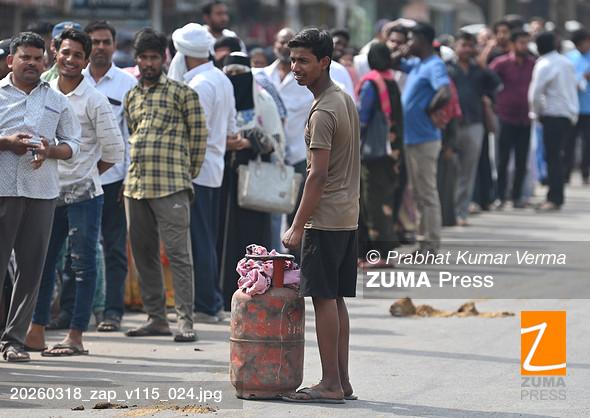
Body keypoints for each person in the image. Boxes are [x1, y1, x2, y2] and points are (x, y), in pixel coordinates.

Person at [24, 29, 124, 357]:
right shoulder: (44, 92)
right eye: (65, 52)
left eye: (77, 55)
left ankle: (76, 336)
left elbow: (115, 150)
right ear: (55, 52)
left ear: (86, 60)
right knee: (42, 263)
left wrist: (87, 174)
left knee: (82, 265)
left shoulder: (94, 99)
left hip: (85, 196)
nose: (70, 59)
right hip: (46, 193)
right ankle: (35, 331)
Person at [281, 28, 360, 404]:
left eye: (304, 61)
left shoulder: (325, 109)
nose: (295, 67)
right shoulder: (341, 98)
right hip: (346, 214)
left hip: (325, 218)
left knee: (324, 298)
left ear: (324, 62)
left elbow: (317, 174)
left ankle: (330, 383)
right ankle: (341, 381)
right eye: (292, 60)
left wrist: (297, 225)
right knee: (335, 298)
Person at [0, 32, 81, 362]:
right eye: (25, 57)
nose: (32, 63)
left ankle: (14, 340)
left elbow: (73, 145)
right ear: (11, 60)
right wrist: (6, 143)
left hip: (41, 194)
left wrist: (50, 151)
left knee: (31, 271)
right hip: (2, 191)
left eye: (37, 58)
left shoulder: (57, 100)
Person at [123, 29, 207, 342]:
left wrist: (185, 176)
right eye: (143, 57)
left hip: (172, 187)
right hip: (136, 186)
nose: (148, 63)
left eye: (154, 57)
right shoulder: (132, 95)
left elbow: (199, 140)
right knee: (143, 255)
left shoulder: (182, 93)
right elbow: (132, 133)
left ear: (164, 59)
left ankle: (185, 322)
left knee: (179, 256)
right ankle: (156, 319)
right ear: (137, 59)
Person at [172, 23, 237, 323]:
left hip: (196, 170)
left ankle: (206, 304)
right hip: (213, 169)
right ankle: (209, 301)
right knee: (207, 238)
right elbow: (231, 127)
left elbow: (193, 133)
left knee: (199, 239)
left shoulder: (199, 85)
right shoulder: (220, 78)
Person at [218, 52, 285, 310]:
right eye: (230, 74)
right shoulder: (220, 99)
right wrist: (225, 143)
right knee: (223, 236)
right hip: (224, 178)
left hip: (254, 182)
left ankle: (257, 290)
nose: (235, 79)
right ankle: (224, 295)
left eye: (240, 73)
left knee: (252, 237)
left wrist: (248, 142)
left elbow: (275, 140)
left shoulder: (263, 100)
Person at [83, 20, 138, 332]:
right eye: (95, 41)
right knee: (79, 249)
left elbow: (131, 135)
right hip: (78, 178)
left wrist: (129, 177)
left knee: (114, 248)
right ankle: (75, 312)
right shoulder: (73, 80)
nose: (101, 47)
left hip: (114, 179)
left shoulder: (126, 83)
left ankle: (112, 311)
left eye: (106, 42)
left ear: (114, 46)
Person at [394, 22, 450, 255]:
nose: (408, 43)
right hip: (412, 138)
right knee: (417, 193)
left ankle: (431, 243)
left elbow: (445, 92)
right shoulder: (417, 64)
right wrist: (402, 51)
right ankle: (422, 241)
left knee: (427, 193)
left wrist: (429, 109)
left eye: (411, 39)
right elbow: (391, 62)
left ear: (423, 40)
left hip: (425, 138)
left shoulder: (434, 65)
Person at [356, 42, 403, 266]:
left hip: (372, 153)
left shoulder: (371, 83)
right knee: (385, 199)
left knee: (371, 202)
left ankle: (378, 254)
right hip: (391, 151)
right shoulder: (391, 81)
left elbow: (362, 118)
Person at [447, 31, 500, 225]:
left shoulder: (478, 69)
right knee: (450, 170)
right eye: (464, 45)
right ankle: (448, 212)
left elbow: (496, 84)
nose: (467, 49)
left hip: (475, 124)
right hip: (452, 126)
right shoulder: (447, 68)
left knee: (468, 171)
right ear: (455, 46)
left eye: (471, 46)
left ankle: (461, 212)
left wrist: (483, 64)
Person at [529, 32, 579, 211]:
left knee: (552, 157)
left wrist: (535, 113)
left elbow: (535, 93)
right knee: (557, 156)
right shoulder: (566, 62)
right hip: (568, 114)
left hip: (552, 114)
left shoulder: (543, 64)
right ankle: (556, 196)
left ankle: (554, 198)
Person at [490, 30, 535, 208]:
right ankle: (500, 196)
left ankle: (517, 197)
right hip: (505, 116)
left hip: (525, 118)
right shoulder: (501, 63)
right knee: (503, 159)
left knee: (521, 160)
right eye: (521, 43)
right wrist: (492, 102)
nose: (524, 46)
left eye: (526, 43)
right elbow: (486, 78)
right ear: (513, 44)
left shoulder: (532, 64)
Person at [565, 29, 590, 184]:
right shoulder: (569, 58)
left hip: (589, 109)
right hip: (572, 107)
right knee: (569, 142)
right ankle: (566, 172)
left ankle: (585, 172)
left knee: (588, 143)